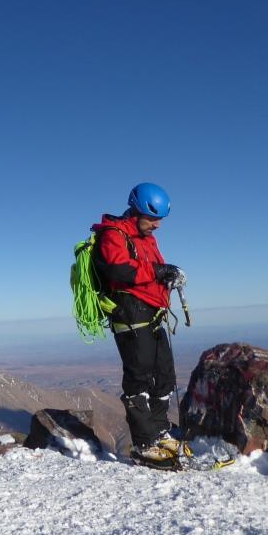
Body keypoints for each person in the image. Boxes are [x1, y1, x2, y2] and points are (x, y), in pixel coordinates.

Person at [91, 182, 187, 466]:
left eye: (160, 220)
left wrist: (166, 275)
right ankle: (144, 444)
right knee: (140, 378)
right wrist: (158, 271)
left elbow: (149, 272)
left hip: (153, 311)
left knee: (165, 376)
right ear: (136, 211)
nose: (157, 225)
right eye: (153, 218)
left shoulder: (146, 238)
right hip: (130, 314)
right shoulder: (113, 234)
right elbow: (118, 269)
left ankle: (159, 432)